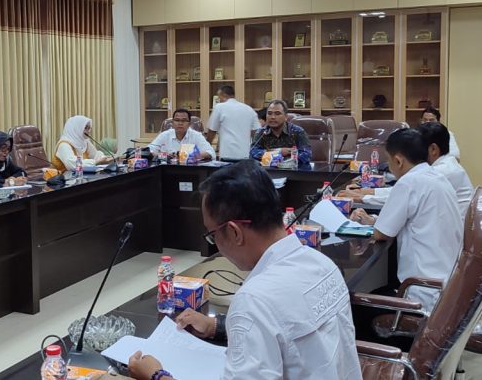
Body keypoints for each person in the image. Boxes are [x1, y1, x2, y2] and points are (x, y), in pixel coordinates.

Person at [127, 160, 362, 380]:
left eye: (212, 235)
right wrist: (217, 327)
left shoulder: (255, 300)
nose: (215, 243)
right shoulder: (322, 263)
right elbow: (290, 336)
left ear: (234, 232)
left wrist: (158, 375)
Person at [348, 129, 463, 312]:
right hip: (447, 287)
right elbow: (411, 220)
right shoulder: (437, 178)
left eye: (389, 161)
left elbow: (381, 234)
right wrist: (372, 220)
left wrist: (371, 224)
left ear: (398, 161)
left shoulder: (409, 182)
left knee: (354, 306)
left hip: (422, 294)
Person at [339, 122, 474, 220]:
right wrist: (366, 191)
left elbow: (401, 196)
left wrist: (362, 197)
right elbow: (401, 191)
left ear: (433, 149)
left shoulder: (442, 171)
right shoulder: (445, 165)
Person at [249, 99, 312, 165]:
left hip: (292, 169)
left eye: (277, 114)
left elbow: (306, 155)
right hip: (268, 169)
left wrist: (280, 160)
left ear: (286, 117)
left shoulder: (297, 132)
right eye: (269, 113)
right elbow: (253, 153)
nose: (272, 117)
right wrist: (278, 152)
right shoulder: (262, 132)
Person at [204, 85, 258, 161]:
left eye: (219, 98)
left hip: (227, 154)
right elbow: (256, 133)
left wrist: (206, 147)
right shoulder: (249, 109)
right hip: (245, 155)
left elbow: (212, 131)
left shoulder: (219, 107)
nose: (219, 100)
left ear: (224, 95)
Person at [148, 109, 215, 162]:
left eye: (184, 120)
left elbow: (211, 152)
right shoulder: (164, 135)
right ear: (172, 123)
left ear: (189, 124)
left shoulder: (196, 136)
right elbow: (149, 150)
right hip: (167, 169)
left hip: (191, 170)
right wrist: (164, 156)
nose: (180, 123)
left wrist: (191, 155)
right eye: (177, 120)